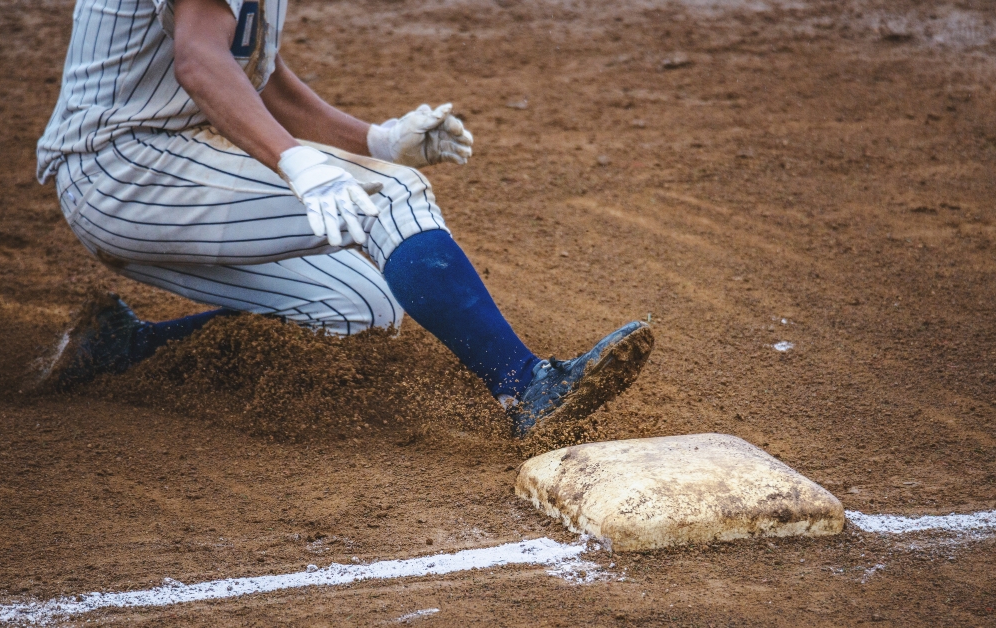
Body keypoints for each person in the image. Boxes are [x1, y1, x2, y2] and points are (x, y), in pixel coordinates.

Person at [35, 0, 654, 436]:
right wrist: (296, 162)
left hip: (166, 161)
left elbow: (260, 79)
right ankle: (526, 384)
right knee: (391, 196)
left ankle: (126, 347)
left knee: (364, 308)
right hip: (122, 165)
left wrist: (379, 141)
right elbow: (200, 64)